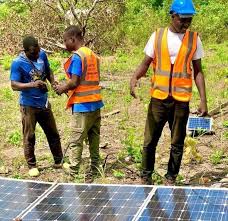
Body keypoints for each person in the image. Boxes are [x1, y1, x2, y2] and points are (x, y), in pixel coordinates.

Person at [130, 0, 208, 185]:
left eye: (189, 20)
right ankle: (145, 175)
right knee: (150, 140)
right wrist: (134, 78)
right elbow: (145, 62)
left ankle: (171, 177)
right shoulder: (157, 36)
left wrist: (203, 100)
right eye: (182, 19)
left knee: (177, 142)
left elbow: (198, 71)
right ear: (172, 16)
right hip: (158, 98)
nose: (186, 23)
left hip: (181, 99)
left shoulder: (194, 39)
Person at [54, 25, 104, 181]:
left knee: (76, 140)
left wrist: (62, 88)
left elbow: (74, 82)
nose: (64, 44)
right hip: (95, 104)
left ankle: (73, 171)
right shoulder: (92, 55)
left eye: (65, 41)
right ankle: (95, 168)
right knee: (94, 138)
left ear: (72, 39)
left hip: (82, 105)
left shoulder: (77, 56)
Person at [10, 36, 63, 177]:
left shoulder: (42, 54)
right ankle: (32, 165)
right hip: (28, 105)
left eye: (38, 50)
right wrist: (33, 84)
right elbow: (14, 85)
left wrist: (53, 82)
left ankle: (59, 160)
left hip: (43, 103)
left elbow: (48, 70)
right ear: (25, 51)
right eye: (33, 52)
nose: (37, 54)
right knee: (29, 135)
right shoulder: (17, 63)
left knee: (53, 132)